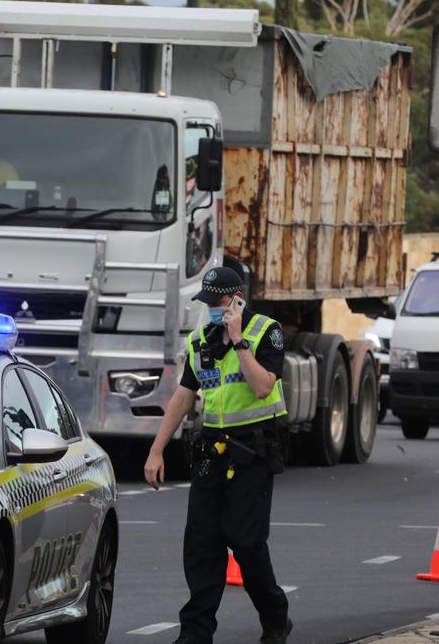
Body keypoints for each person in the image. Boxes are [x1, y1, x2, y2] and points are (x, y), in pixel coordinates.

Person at [144, 265, 294, 644]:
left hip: (254, 451)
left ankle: (275, 618)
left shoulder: (265, 332)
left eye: (219, 302)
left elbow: (262, 387)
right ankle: (195, 633)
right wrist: (156, 449)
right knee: (201, 544)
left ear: (238, 299)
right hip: (213, 450)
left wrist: (238, 339)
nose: (212, 308)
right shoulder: (199, 342)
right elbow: (183, 396)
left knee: (246, 543)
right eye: (207, 303)